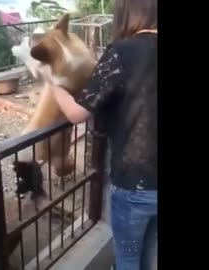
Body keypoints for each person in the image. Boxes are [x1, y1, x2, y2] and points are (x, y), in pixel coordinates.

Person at [49, 0, 157, 269]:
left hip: (134, 185)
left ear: (126, 14)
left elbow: (78, 113)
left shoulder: (122, 52)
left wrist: (53, 85)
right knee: (148, 253)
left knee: (128, 259)